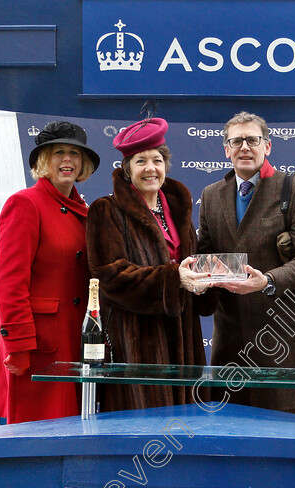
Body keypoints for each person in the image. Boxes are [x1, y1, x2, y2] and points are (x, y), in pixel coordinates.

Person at [197, 111, 295, 414]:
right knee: (227, 442)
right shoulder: (211, 195)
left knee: (285, 444)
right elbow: (205, 257)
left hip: (279, 338)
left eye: (252, 140)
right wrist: (196, 277)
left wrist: (267, 280)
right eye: (236, 141)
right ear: (226, 149)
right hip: (228, 340)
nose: (244, 147)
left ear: (267, 146)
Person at [86, 117, 212, 411]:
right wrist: (173, 279)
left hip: (184, 336)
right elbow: (110, 276)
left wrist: (208, 280)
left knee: (185, 426)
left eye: (157, 160)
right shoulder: (106, 210)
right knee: (143, 428)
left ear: (166, 166)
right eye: (140, 161)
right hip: (137, 339)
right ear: (127, 169)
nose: (150, 168)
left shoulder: (178, 209)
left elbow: (186, 266)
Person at [0, 121, 100, 424]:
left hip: (75, 343)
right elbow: (9, 283)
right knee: (35, 441)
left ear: (84, 164)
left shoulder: (85, 212)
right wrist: (18, 345)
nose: (67, 160)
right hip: (39, 347)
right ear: (43, 161)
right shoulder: (25, 204)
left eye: (75, 153)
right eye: (58, 152)